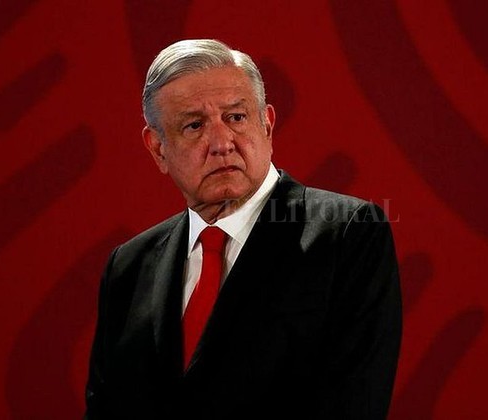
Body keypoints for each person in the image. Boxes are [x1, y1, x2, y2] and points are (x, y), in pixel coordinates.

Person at [85, 39, 402, 419]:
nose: (221, 143)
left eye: (236, 117)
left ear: (266, 124)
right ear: (158, 149)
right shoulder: (130, 265)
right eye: (194, 125)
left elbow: (353, 404)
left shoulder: (347, 234)